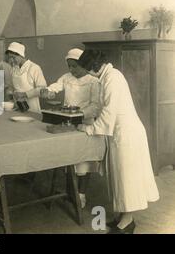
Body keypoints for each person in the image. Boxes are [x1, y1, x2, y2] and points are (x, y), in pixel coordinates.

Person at [76, 49, 159, 234]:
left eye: (88, 69)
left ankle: (127, 223)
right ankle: (123, 217)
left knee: (126, 180)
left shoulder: (113, 78)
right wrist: (82, 116)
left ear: (94, 66)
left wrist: (89, 129)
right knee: (119, 179)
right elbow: (100, 106)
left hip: (127, 135)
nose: (88, 73)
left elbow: (108, 113)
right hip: (118, 133)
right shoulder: (105, 77)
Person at [41, 48, 101, 208]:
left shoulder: (93, 81)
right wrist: (49, 92)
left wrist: (80, 113)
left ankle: (81, 194)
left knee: (84, 161)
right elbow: (55, 86)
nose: (71, 70)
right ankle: (70, 192)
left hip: (86, 123)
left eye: (75, 66)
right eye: (69, 66)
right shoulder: (66, 78)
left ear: (83, 64)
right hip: (68, 122)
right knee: (69, 157)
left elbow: (96, 106)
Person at [5, 42, 47, 113]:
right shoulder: (13, 69)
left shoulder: (34, 68)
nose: (11, 60)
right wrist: (10, 92)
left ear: (21, 55)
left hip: (32, 108)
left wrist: (24, 94)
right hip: (17, 107)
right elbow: (11, 86)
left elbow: (42, 89)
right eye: (9, 58)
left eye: (13, 57)